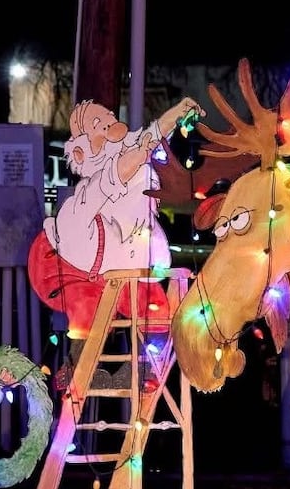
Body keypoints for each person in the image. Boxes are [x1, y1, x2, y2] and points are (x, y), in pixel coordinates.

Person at [27, 95, 205, 386]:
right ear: (84, 150)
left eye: (108, 115)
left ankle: (145, 369)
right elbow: (116, 173)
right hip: (74, 267)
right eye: (98, 124)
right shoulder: (92, 188)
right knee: (86, 308)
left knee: (154, 304)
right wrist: (141, 152)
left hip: (120, 263)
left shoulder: (133, 163)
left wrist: (177, 112)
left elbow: (152, 134)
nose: (109, 123)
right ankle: (81, 366)